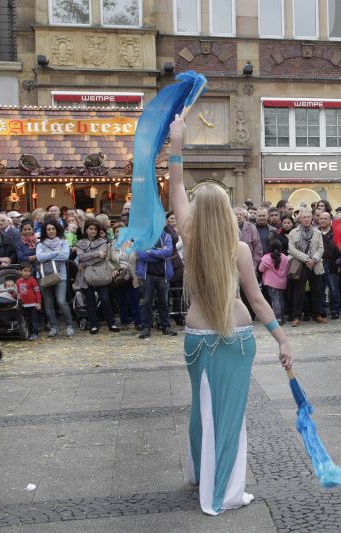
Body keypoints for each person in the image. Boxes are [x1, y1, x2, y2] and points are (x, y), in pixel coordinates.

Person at [166, 115, 291, 515]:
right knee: (229, 416)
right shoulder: (238, 249)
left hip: (197, 337)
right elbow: (257, 300)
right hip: (235, 337)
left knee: (202, 409)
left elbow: (175, 188)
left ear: (198, 212)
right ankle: (223, 492)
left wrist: (176, 144)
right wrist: (281, 338)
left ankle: (203, 474)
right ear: (226, 211)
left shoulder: (189, 237)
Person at [76, 219, 119, 334]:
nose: (93, 231)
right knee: (90, 301)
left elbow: (101, 257)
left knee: (105, 299)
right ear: (86, 230)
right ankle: (94, 324)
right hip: (85, 274)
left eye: (95, 229)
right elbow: (80, 256)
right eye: (90, 229)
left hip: (100, 272)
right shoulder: (80, 243)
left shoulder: (102, 242)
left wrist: (84, 263)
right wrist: (96, 254)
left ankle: (111, 323)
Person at [136, 228, 176, 339]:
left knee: (164, 302)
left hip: (163, 275)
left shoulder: (166, 236)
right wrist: (160, 255)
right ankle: (146, 328)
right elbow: (141, 255)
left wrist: (150, 251)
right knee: (147, 302)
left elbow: (168, 252)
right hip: (147, 275)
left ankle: (166, 327)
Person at [36, 218, 74, 337]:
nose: (51, 231)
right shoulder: (40, 244)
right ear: (45, 231)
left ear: (57, 230)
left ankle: (69, 325)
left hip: (60, 275)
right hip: (44, 276)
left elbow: (65, 256)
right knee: (48, 303)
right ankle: (54, 326)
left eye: (53, 229)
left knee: (61, 301)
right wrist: (56, 253)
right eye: (48, 229)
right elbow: (39, 257)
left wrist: (48, 256)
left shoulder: (63, 242)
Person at [288, 208, 326, 326]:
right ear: (300, 219)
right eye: (304, 217)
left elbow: (321, 248)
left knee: (316, 291)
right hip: (300, 265)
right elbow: (291, 249)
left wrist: (313, 259)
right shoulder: (293, 232)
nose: (306, 219)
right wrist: (306, 259)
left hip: (315, 264)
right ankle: (296, 316)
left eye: (308, 217)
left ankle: (317, 314)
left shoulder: (317, 232)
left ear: (311, 218)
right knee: (298, 292)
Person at [112, 224, 141, 331]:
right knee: (121, 300)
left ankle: (138, 322)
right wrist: (113, 269)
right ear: (114, 234)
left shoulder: (133, 245)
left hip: (133, 275)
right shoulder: (111, 245)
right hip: (119, 276)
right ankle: (124, 322)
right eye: (117, 231)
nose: (119, 234)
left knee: (134, 300)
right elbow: (108, 260)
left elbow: (139, 259)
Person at [259, 239, 289, 325]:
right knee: (280, 300)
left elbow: (261, 269)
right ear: (280, 247)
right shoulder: (285, 257)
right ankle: (281, 317)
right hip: (282, 282)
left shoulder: (267, 257)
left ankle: (277, 318)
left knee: (275, 300)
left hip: (271, 282)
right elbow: (287, 269)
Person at [318, 211, 341, 320]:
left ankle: (335, 311)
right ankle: (322, 311)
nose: (322, 220)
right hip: (319, 264)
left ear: (330, 220)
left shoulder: (336, 233)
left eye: (325, 219)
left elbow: (340, 249)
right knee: (320, 289)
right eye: (321, 218)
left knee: (334, 289)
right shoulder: (315, 232)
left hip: (332, 264)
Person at [16, 264, 41, 340]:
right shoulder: (18, 281)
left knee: (34, 319)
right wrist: (17, 295)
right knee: (28, 319)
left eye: (29, 271)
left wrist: (38, 302)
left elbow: (37, 292)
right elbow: (18, 292)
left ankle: (35, 333)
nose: (27, 273)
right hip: (24, 305)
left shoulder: (32, 280)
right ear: (20, 271)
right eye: (25, 271)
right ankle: (30, 333)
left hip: (33, 304)